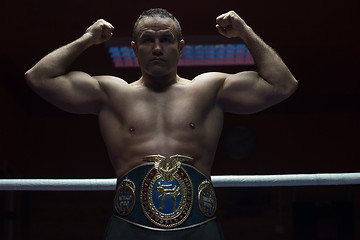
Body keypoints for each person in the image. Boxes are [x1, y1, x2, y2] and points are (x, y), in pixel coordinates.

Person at [25, 8, 298, 240]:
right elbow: (39, 78)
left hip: (198, 228)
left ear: (180, 48)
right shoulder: (111, 93)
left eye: (166, 39)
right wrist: (87, 39)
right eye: (148, 40)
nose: (157, 48)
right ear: (134, 49)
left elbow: (282, 85)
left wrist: (245, 31)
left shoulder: (210, 89)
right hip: (129, 228)